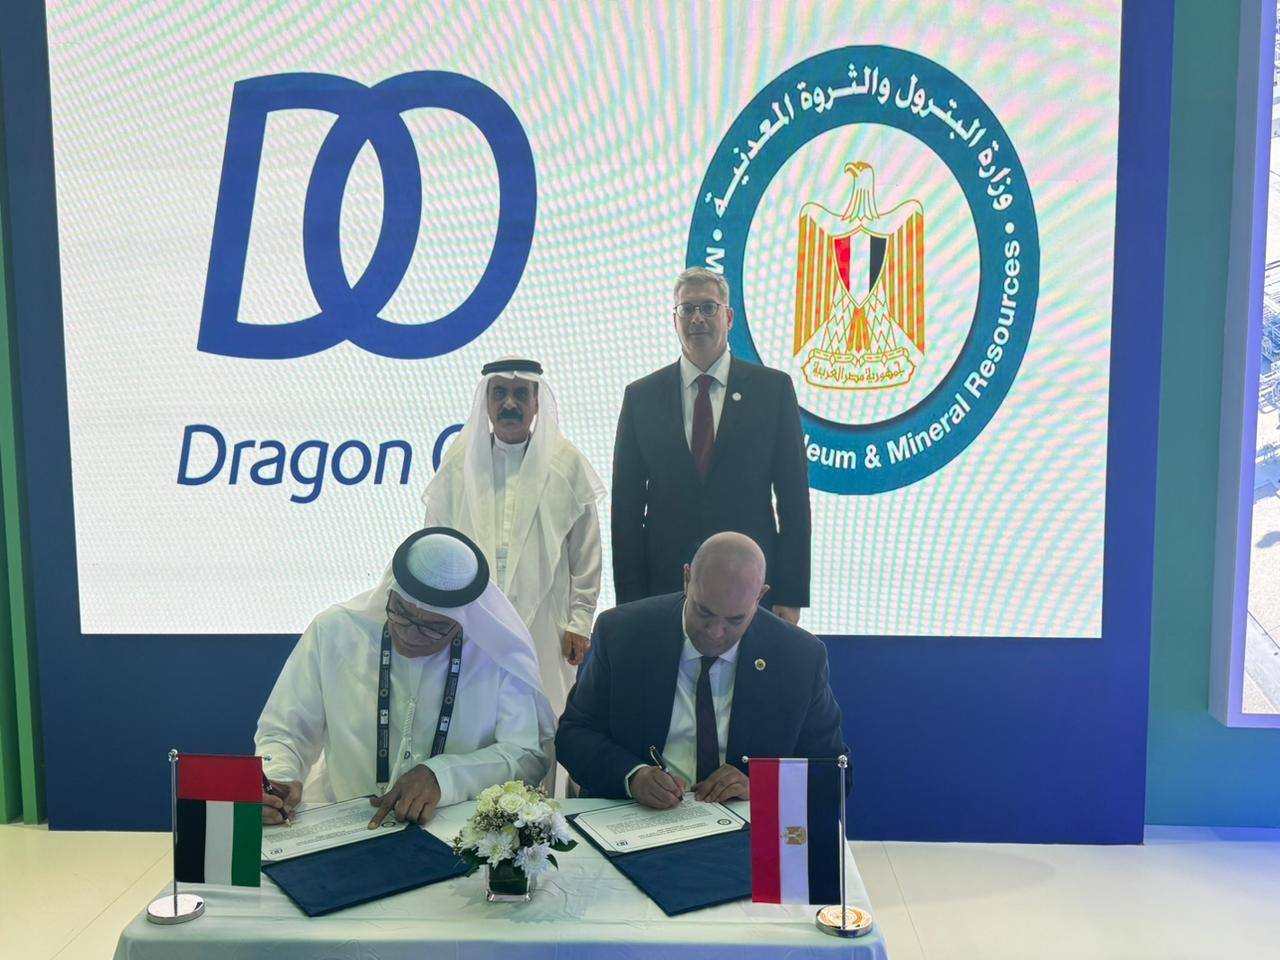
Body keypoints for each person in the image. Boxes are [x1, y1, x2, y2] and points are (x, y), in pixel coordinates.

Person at [255, 527, 554, 827]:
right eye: (401, 613)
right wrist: (279, 776)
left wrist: (444, 776)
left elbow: (527, 754)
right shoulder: (336, 631)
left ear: (462, 620)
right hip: (343, 823)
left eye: (433, 627)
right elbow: (285, 731)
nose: (410, 634)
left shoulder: (495, 654)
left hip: (453, 830)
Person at [556, 532, 848, 809]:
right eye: (704, 612)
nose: (715, 632)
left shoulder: (799, 657)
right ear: (687, 579)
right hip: (635, 816)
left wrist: (761, 786)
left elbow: (835, 772)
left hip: (743, 828)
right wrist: (633, 776)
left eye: (735, 620)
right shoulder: (624, 634)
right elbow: (573, 735)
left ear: (759, 596)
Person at [611, 267, 811, 623]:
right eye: (687, 309)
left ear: (729, 317)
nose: (697, 318)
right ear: (675, 320)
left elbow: (793, 500)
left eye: (708, 307)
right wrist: (629, 602)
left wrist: (791, 594)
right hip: (664, 588)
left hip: (750, 586)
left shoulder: (772, 390)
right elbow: (626, 510)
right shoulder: (641, 396)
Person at [419, 357, 604, 716]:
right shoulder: (459, 465)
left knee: (546, 716)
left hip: (547, 624)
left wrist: (580, 622)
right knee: (474, 718)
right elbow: (434, 547)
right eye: (500, 393)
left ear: (536, 403)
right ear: (486, 402)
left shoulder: (566, 464)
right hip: (472, 621)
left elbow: (586, 553)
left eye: (520, 394)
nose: (509, 404)